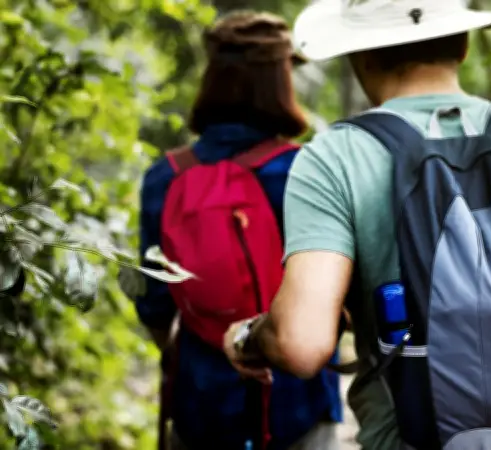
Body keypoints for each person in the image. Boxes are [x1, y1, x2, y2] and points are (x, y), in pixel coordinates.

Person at [223, 1, 491, 449]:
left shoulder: (334, 158)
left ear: (361, 54)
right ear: (463, 45)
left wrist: (248, 338)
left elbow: (301, 342)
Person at [135, 10, 341, 450]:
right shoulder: (305, 170)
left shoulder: (164, 177)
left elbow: (154, 305)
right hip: (297, 402)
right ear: (281, 81)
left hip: (200, 403)